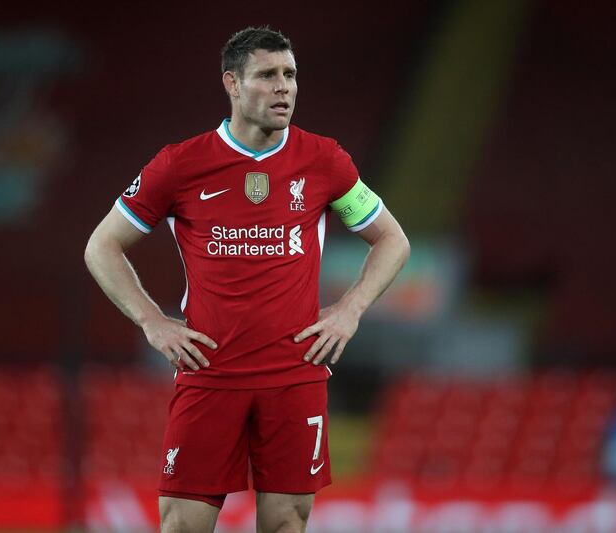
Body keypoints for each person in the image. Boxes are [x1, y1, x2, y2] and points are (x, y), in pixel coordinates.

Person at [84, 27, 409, 533]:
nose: (284, 88)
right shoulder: (179, 165)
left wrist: (350, 309)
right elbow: (101, 246)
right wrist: (153, 321)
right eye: (268, 75)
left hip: (295, 372)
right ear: (232, 83)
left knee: (286, 523)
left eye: (291, 75)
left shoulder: (324, 160)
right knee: (182, 524)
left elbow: (393, 240)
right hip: (210, 371)